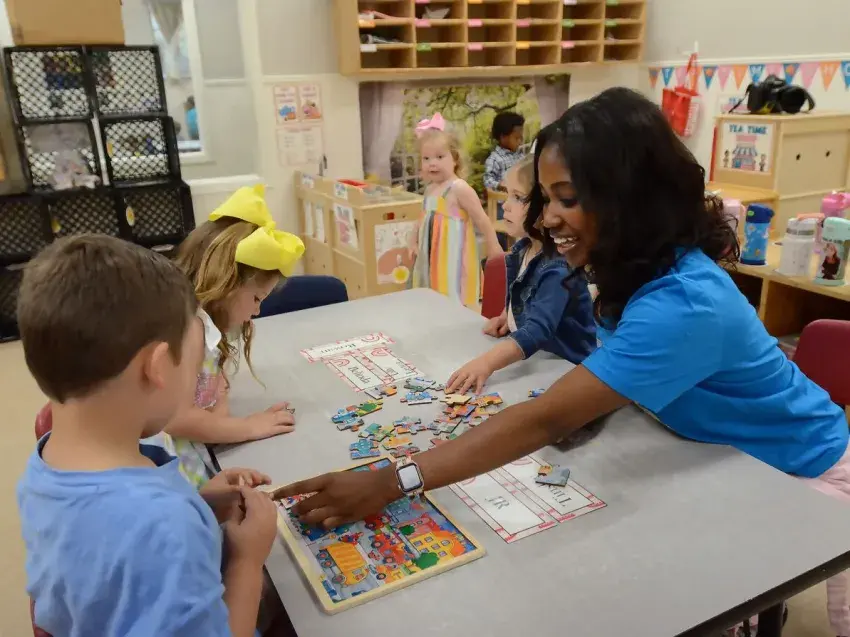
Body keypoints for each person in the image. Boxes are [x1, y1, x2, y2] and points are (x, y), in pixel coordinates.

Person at [276, 88, 850, 637]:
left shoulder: (685, 301)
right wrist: (589, 407)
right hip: (720, 457)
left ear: (629, 199)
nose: (545, 218)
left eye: (566, 199)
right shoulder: (631, 267)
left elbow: (547, 418)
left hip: (805, 473)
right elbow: (616, 373)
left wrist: (392, 479)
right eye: (545, 198)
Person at [17, 235, 278, 637]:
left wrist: (199, 502)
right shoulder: (165, 527)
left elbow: (112, 548)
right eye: (191, 363)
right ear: (156, 367)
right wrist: (247, 561)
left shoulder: (46, 464)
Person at [162, 184, 305, 488]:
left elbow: (208, 415)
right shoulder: (191, 329)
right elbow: (176, 418)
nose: (256, 312)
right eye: (256, 299)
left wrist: (220, 403)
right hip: (174, 475)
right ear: (227, 284)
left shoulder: (197, 324)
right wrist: (249, 427)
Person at [447, 157, 596, 394]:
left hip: (567, 369)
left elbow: (538, 330)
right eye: (507, 194)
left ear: (548, 207)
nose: (505, 205)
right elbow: (524, 297)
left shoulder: (559, 266)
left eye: (518, 197)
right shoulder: (522, 249)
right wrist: (508, 317)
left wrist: (486, 363)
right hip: (536, 361)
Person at [410, 112, 502, 309]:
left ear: (455, 159)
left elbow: (481, 219)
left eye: (439, 157)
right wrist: (412, 241)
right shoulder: (429, 189)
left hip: (453, 255)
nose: (432, 163)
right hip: (430, 254)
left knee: (453, 291)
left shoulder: (459, 188)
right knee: (432, 292)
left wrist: (493, 246)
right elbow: (421, 218)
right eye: (426, 158)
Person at [484, 111, 526, 192]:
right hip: (506, 198)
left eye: (521, 138)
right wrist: (501, 186)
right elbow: (488, 181)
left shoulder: (520, 155)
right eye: (517, 138)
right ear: (503, 137)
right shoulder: (494, 159)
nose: (520, 142)